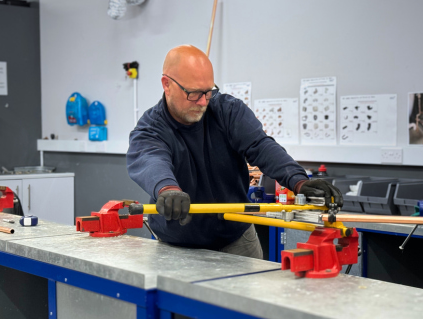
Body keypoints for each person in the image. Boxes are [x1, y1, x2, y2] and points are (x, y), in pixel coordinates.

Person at [126, 45, 342, 259]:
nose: (202, 102)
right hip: (177, 244)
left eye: (208, 92)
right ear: (167, 84)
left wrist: (299, 181)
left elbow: (261, 146)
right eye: (193, 94)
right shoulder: (151, 128)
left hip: (237, 238)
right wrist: (167, 188)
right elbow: (150, 158)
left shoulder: (228, 111)